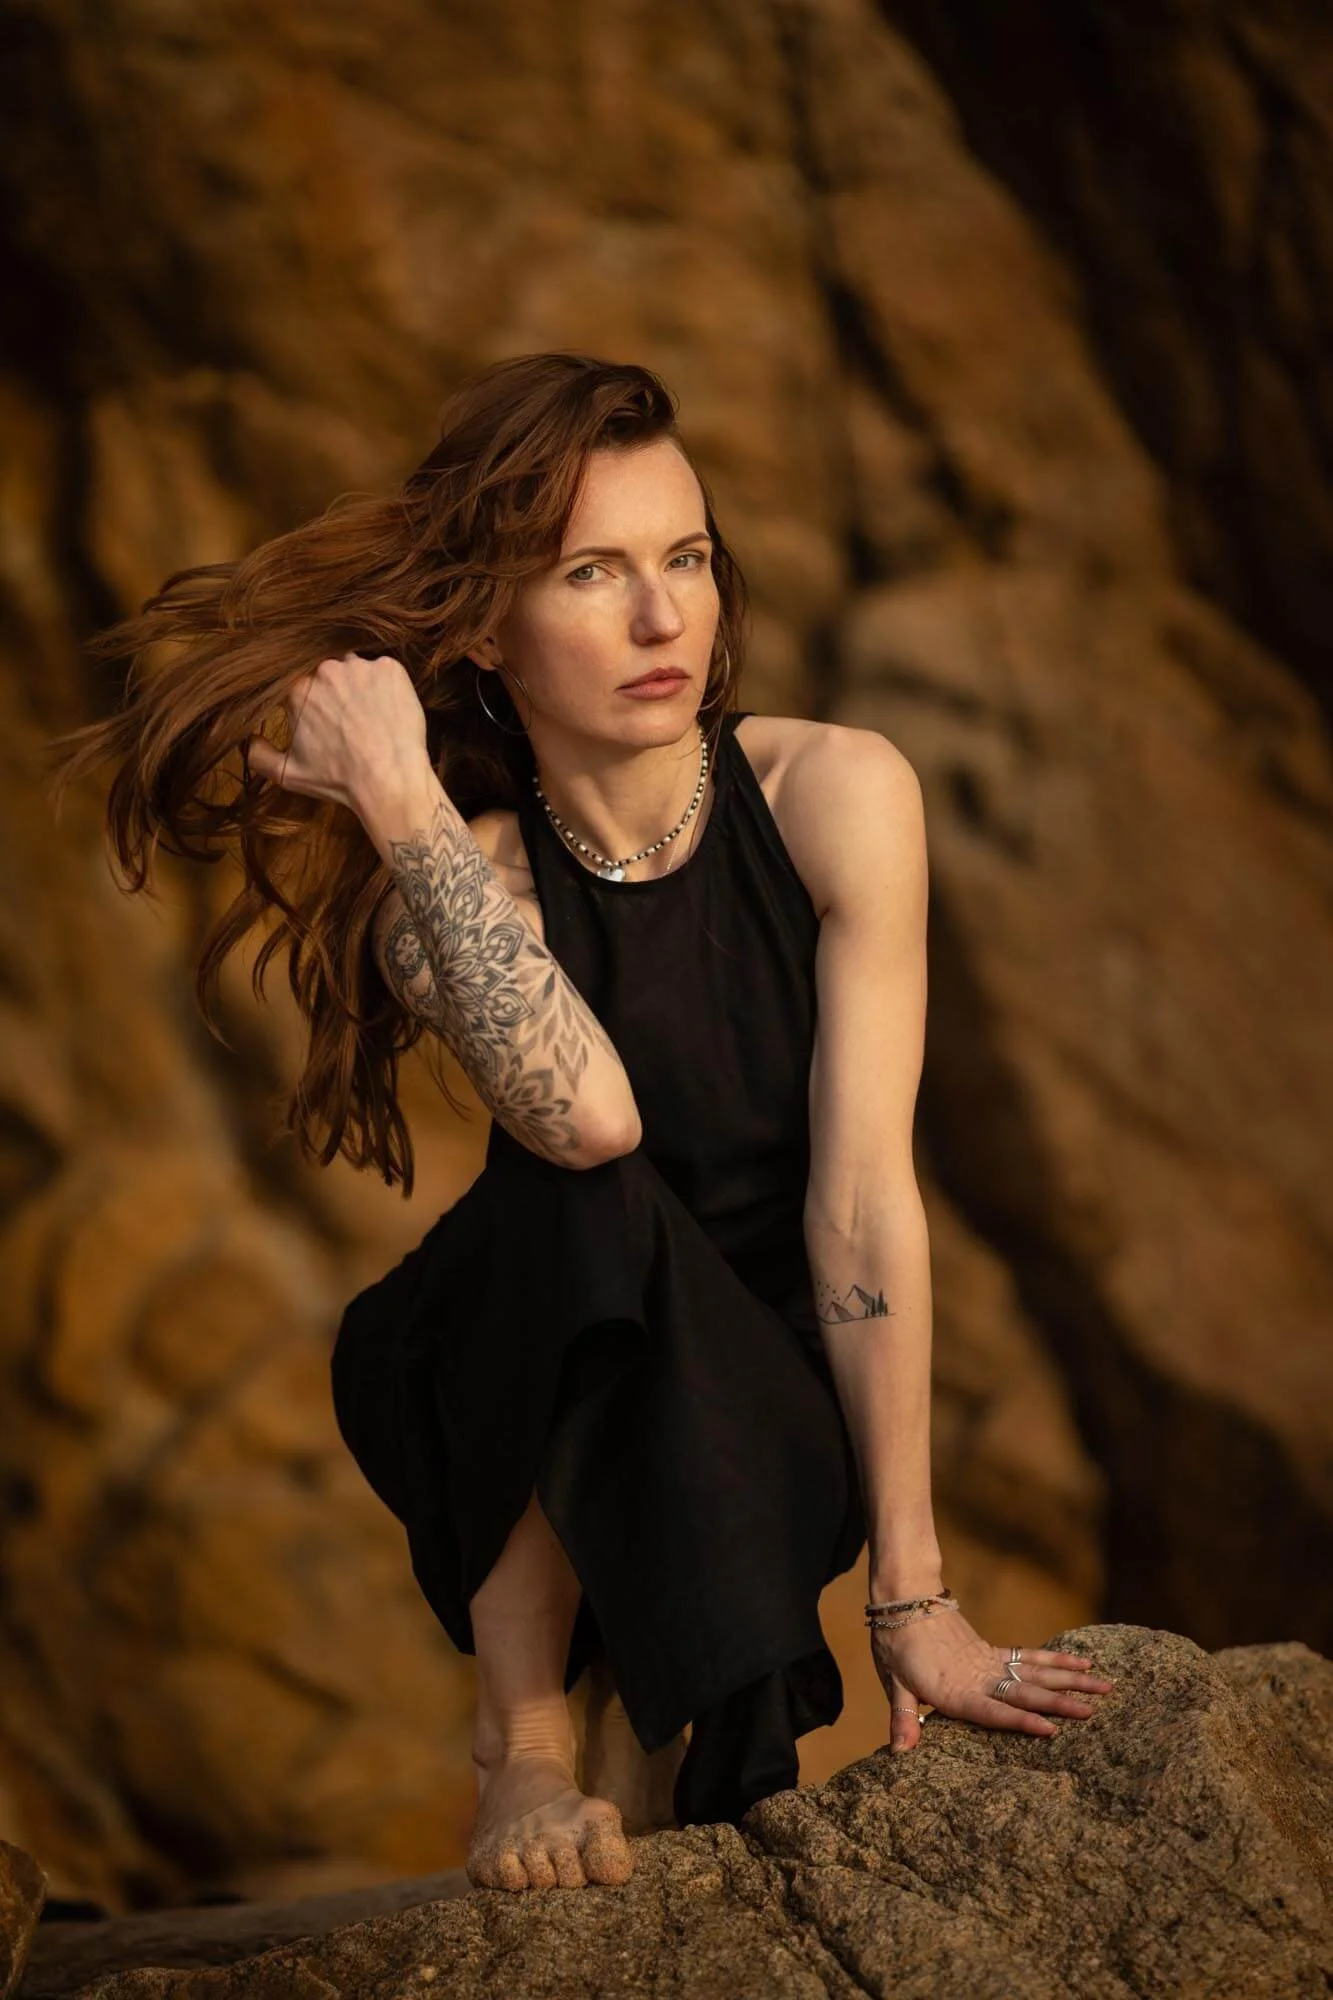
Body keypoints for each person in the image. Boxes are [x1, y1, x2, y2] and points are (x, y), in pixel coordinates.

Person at [49, 352, 1113, 1896]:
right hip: (531, 1380)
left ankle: (592, 1739)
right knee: (579, 1177)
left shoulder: (837, 794)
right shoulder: (456, 887)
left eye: (685, 559)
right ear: (485, 631)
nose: (663, 618)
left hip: (774, 1413)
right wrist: (406, 812)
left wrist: (911, 1596)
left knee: (618, 1224)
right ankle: (524, 1745)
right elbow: (588, 1111)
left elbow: (865, 1204)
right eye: (593, 574)